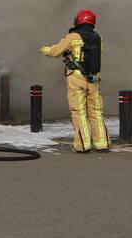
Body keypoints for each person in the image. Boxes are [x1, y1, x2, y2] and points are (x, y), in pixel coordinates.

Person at [39, 9, 109, 153]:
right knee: (96, 112)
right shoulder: (97, 38)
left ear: (78, 21)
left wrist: (44, 49)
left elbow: (56, 51)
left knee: (79, 111)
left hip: (77, 78)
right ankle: (102, 144)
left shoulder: (73, 37)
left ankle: (83, 145)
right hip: (94, 79)